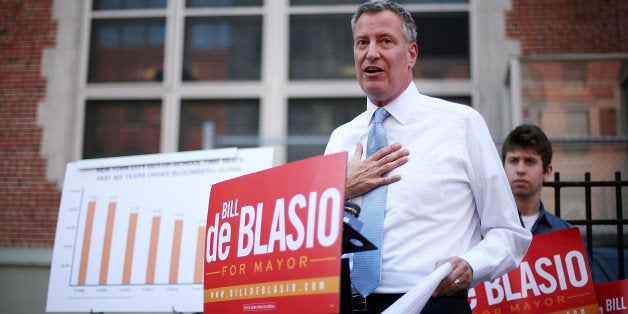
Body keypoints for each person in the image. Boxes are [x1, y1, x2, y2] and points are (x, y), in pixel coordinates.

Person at [324, 1, 532, 313]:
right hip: (347, 304)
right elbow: (311, 236)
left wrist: (471, 265)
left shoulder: (461, 125)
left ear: (411, 54)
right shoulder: (341, 138)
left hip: (431, 302)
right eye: (362, 42)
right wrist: (341, 187)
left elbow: (508, 233)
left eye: (385, 41)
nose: (371, 53)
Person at [501, 124, 572, 234]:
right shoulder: (483, 230)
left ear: (547, 171)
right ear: (502, 168)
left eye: (530, 161)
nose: (520, 170)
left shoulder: (565, 234)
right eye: (514, 160)